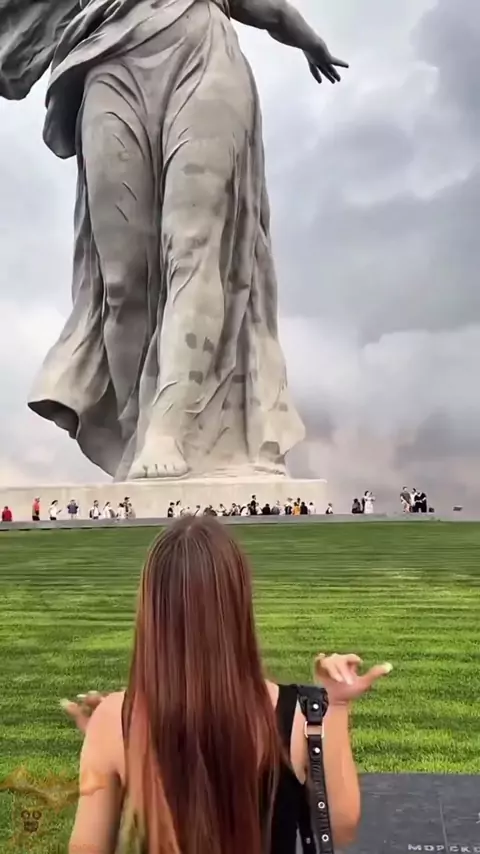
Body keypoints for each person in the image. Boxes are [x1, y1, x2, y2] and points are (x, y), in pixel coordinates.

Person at [61, 517, 392, 854]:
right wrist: (336, 706)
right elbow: (341, 829)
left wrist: (112, 746)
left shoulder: (113, 720)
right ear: (238, 603)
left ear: (151, 608)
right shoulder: (300, 716)